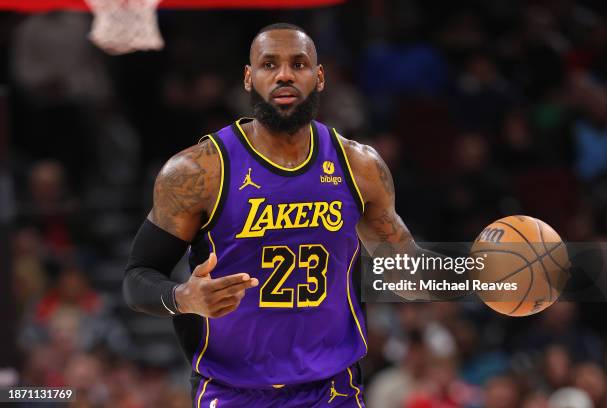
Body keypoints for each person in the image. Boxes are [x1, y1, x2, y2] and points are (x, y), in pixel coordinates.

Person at [124, 23, 419, 408]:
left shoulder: (359, 166)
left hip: (332, 390)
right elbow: (136, 278)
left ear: (320, 77)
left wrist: (486, 275)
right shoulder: (198, 171)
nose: (284, 74)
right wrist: (183, 297)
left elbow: (408, 272)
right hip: (233, 391)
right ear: (249, 77)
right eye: (269, 64)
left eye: (299, 64)